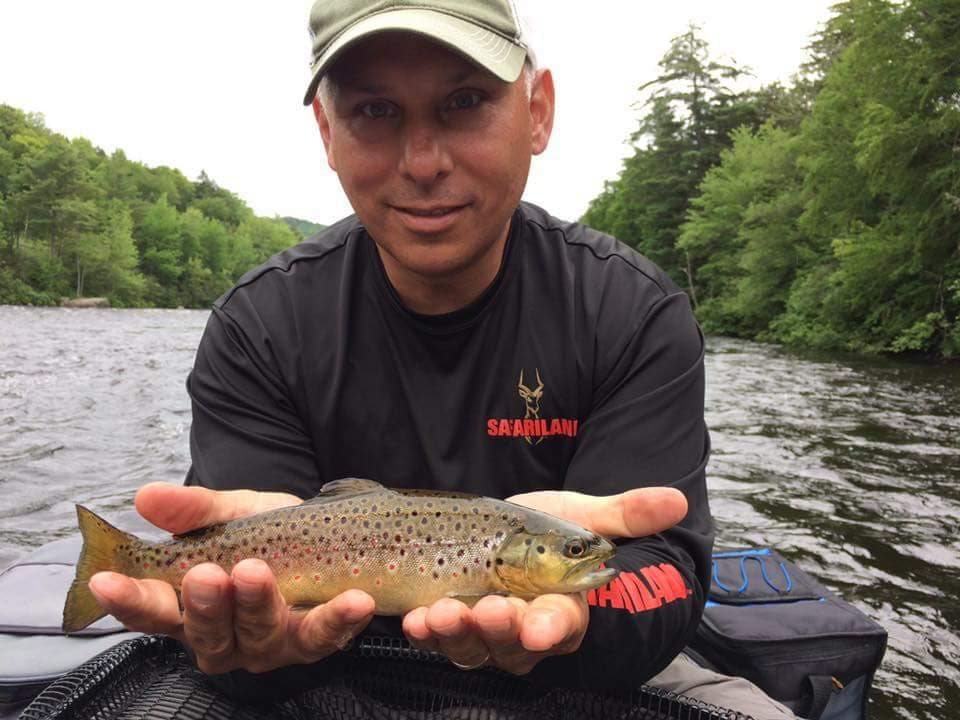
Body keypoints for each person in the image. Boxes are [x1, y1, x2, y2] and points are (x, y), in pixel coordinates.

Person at [86, 1, 796, 717]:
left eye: (464, 102)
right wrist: (251, 647)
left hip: (588, 676)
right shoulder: (260, 326)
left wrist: (582, 623)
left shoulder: (631, 313)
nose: (424, 163)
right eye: (374, 111)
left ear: (538, 110)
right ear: (328, 133)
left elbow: (664, 572)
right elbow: (236, 626)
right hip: (329, 672)